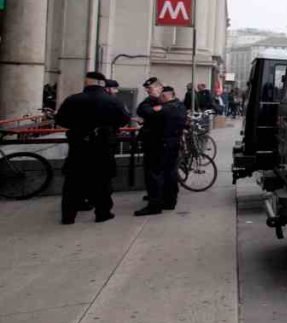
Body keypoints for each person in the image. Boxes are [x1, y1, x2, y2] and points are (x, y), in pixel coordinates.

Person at [54, 71, 130, 224]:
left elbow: (61, 119)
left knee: (73, 182)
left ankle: (68, 216)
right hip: (103, 146)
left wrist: (79, 127)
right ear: (102, 84)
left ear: (86, 82)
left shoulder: (73, 100)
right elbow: (123, 120)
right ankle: (102, 213)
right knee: (102, 181)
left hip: (79, 146)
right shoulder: (113, 101)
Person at [135, 85, 187, 215]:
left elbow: (143, 111)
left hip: (159, 145)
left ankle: (155, 205)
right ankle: (169, 201)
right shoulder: (180, 106)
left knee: (155, 174)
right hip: (173, 143)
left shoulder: (165, 109)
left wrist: (151, 98)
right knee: (170, 173)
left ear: (164, 96)